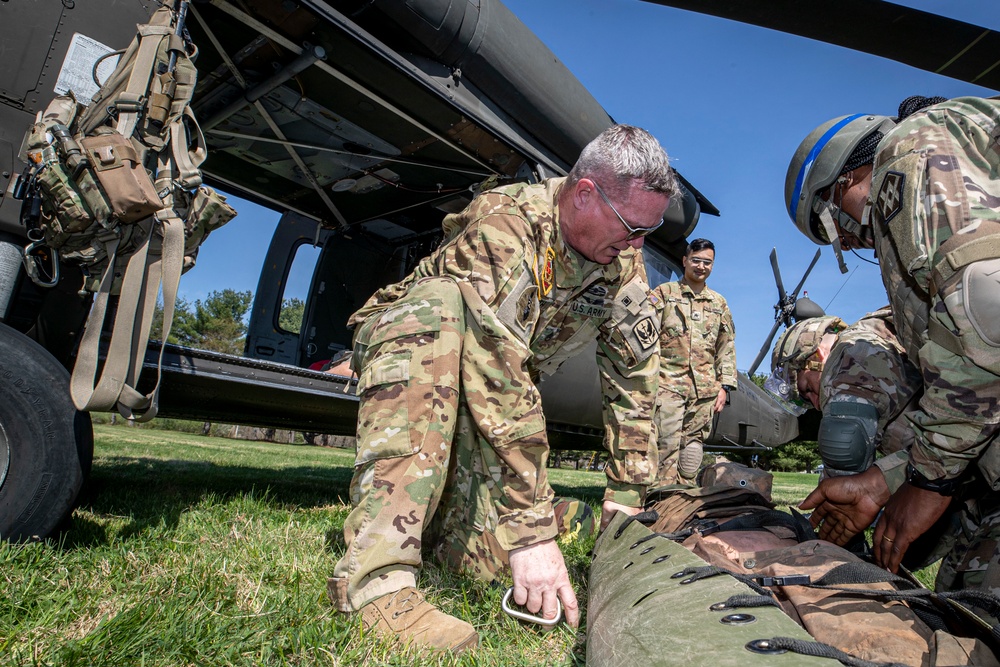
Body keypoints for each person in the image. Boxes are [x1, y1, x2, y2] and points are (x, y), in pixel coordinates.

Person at [326, 124, 679, 653]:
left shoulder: (622, 262)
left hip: (493, 389)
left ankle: (488, 520)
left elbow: (633, 376)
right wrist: (530, 531)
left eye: (646, 233)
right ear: (584, 195)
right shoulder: (507, 225)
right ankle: (377, 582)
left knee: (486, 564)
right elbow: (497, 371)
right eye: (631, 227)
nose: (636, 245)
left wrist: (626, 496)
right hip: (421, 347)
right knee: (440, 310)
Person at [784, 95, 1000, 594]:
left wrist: (928, 482)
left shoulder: (911, 152)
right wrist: (888, 480)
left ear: (844, 179)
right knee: (963, 599)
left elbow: (987, 325)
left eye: (837, 224)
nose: (854, 240)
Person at [766, 309, 923, 479]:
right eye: (808, 401)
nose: (817, 405)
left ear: (818, 356)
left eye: (809, 389)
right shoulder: (865, 341)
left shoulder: (852, 355)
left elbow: (843, 449)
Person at [649, 238, 736, 483]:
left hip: (705, 390)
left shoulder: (719, 303)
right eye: (696, 260)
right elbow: (645, 337)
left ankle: (683, 500)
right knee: (665, 444)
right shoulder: (664, 294)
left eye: (707, 262)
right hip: (667, 384)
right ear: (685, 261)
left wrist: (724, 387)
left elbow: (726, 346)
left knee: (692, 450)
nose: (701, 266)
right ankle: (660, 500)